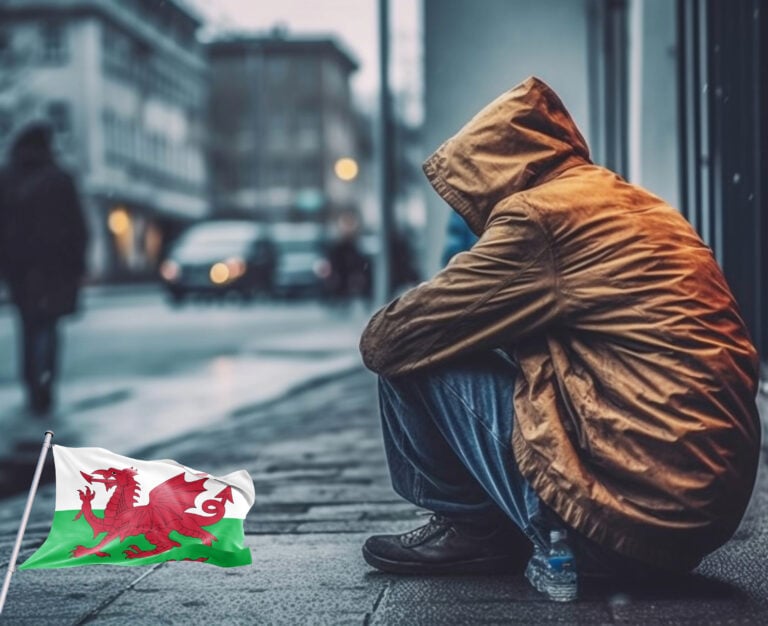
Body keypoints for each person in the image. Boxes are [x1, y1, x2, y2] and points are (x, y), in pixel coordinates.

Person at [358, 77, 760, 600]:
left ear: (492, 172)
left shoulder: (537, 217)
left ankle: (473, 533)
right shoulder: (635, 205)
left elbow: (389, 338)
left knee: (414, 352)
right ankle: (510, 525)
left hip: (614, 524)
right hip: (691, 523)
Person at [0, 122, 88, 415]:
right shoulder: (59, 178)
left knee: (27, 324)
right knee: (48, 324)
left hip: (18, 267)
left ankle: (32, 383)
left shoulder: (7, 178)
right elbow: (77, 228)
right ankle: (44, 384)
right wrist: (78, 266)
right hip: (54, 266)